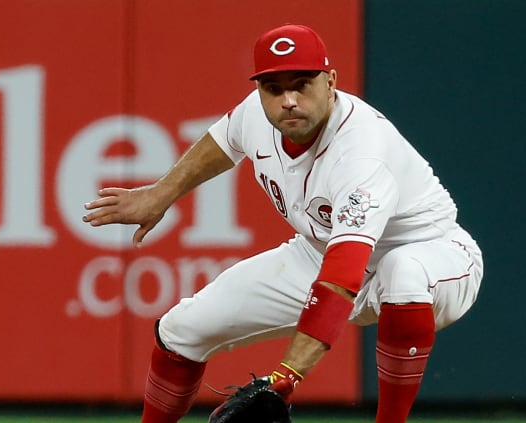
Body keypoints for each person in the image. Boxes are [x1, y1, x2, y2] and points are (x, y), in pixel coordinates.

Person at [83, 23, 483, 423]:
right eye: (274, 88)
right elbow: (224, 142)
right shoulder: (255, 114)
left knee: (402, 273)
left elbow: (341, 279)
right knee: (180, 330)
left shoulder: (361, 154)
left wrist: (285, 379)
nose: (288, 99)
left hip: (433, 256)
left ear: (331, 82)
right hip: (318, 253)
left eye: (302, 83)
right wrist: (159, 194)